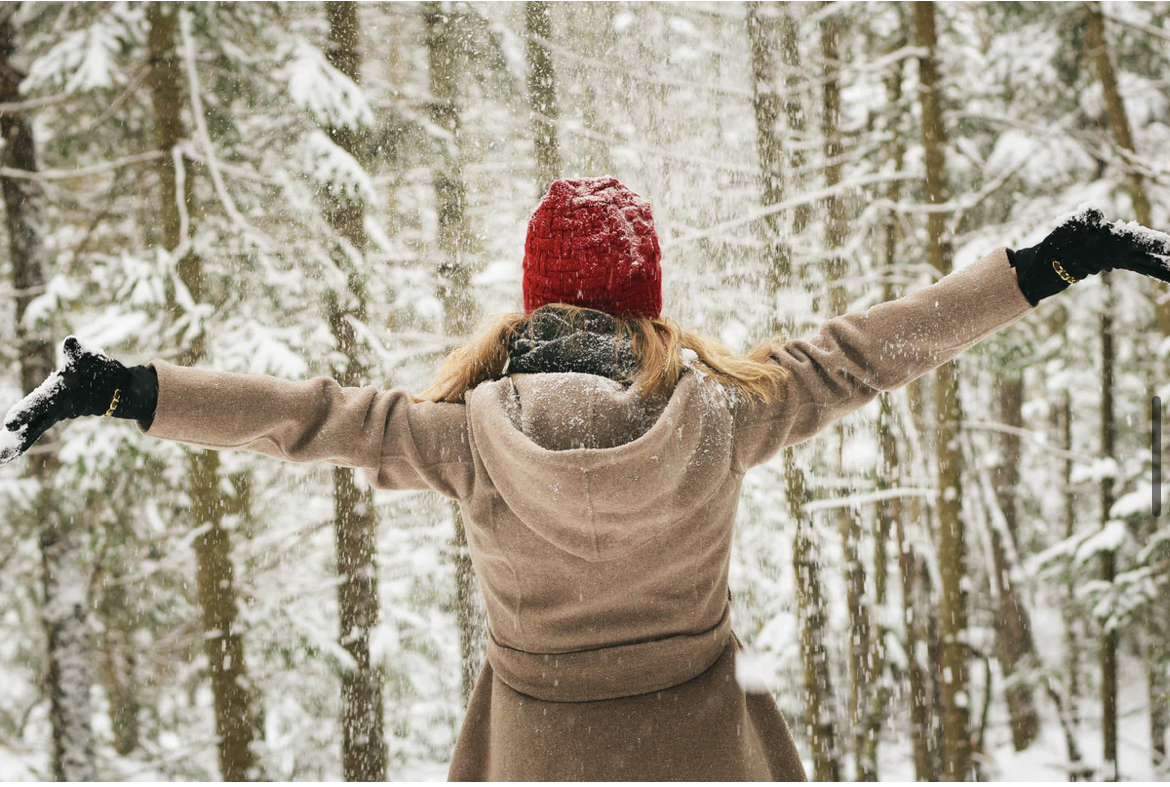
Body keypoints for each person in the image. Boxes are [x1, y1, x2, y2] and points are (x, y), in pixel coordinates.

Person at [4, 177, 1170, 780]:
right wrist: (1048, 265)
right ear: (646, 297)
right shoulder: (725, 414)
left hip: (536, 756)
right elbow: (874, 349)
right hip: (710, 753)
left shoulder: (459, 437)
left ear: (532, 298)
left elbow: (304, 422)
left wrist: (128, 389)